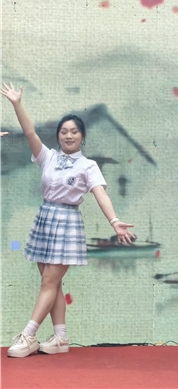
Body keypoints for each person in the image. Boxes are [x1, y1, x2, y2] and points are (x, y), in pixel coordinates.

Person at [1, 81, 136, 358]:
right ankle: (61, 339)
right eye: (64, 131)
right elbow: (30, 132)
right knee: (53, 284)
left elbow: (100, 194)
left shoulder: (88, 165)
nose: (68, 135)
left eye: (74, 131)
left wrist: (114, 221)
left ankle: (29, 335)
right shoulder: (47, 157)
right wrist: (17, 104)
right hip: (45, 218)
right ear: (59, 136)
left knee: (49, 283)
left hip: (67, 222)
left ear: (82, 136)